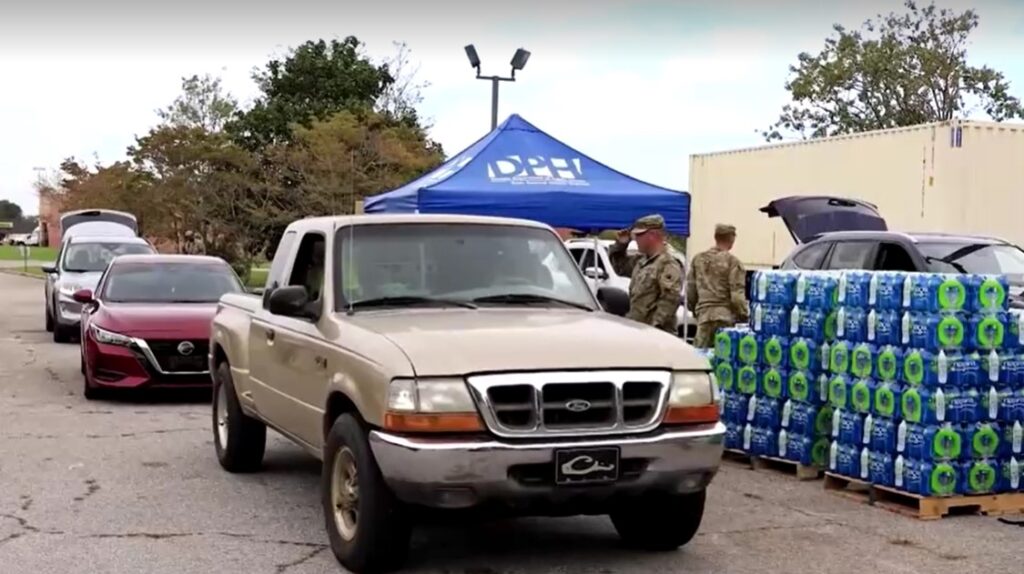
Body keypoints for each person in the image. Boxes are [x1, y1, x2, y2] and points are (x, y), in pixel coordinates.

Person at [608, 214, 684, 334]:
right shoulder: (641, 261)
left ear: (652, 235)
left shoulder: (668, 263)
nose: (635, 239)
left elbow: (670, 300)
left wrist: (654, 327)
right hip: (638, 330)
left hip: (657, 335)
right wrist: (621, 245)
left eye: (639, 235)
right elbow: (620, 267)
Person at [686, 223, 749, 348]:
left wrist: (694, 310)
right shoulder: (733, 262)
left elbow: (691, 291)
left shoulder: (698, 260)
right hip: (724, 318)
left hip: (704, 316)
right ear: (732, 239)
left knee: (700, 357)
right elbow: (737, 296)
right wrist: (744, 316)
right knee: (723, 358)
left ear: (716, 237)